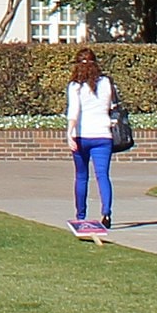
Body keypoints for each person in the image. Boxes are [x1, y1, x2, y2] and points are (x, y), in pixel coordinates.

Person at [64, 50, 120, 236]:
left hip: (82, 135)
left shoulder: (75, 86)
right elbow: (112, 106)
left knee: (81, 176)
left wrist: (70, 133)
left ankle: (81, 215)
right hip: (103, 135)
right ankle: (106, 212)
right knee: (102, 175)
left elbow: (74, 111)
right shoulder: (106, 83)